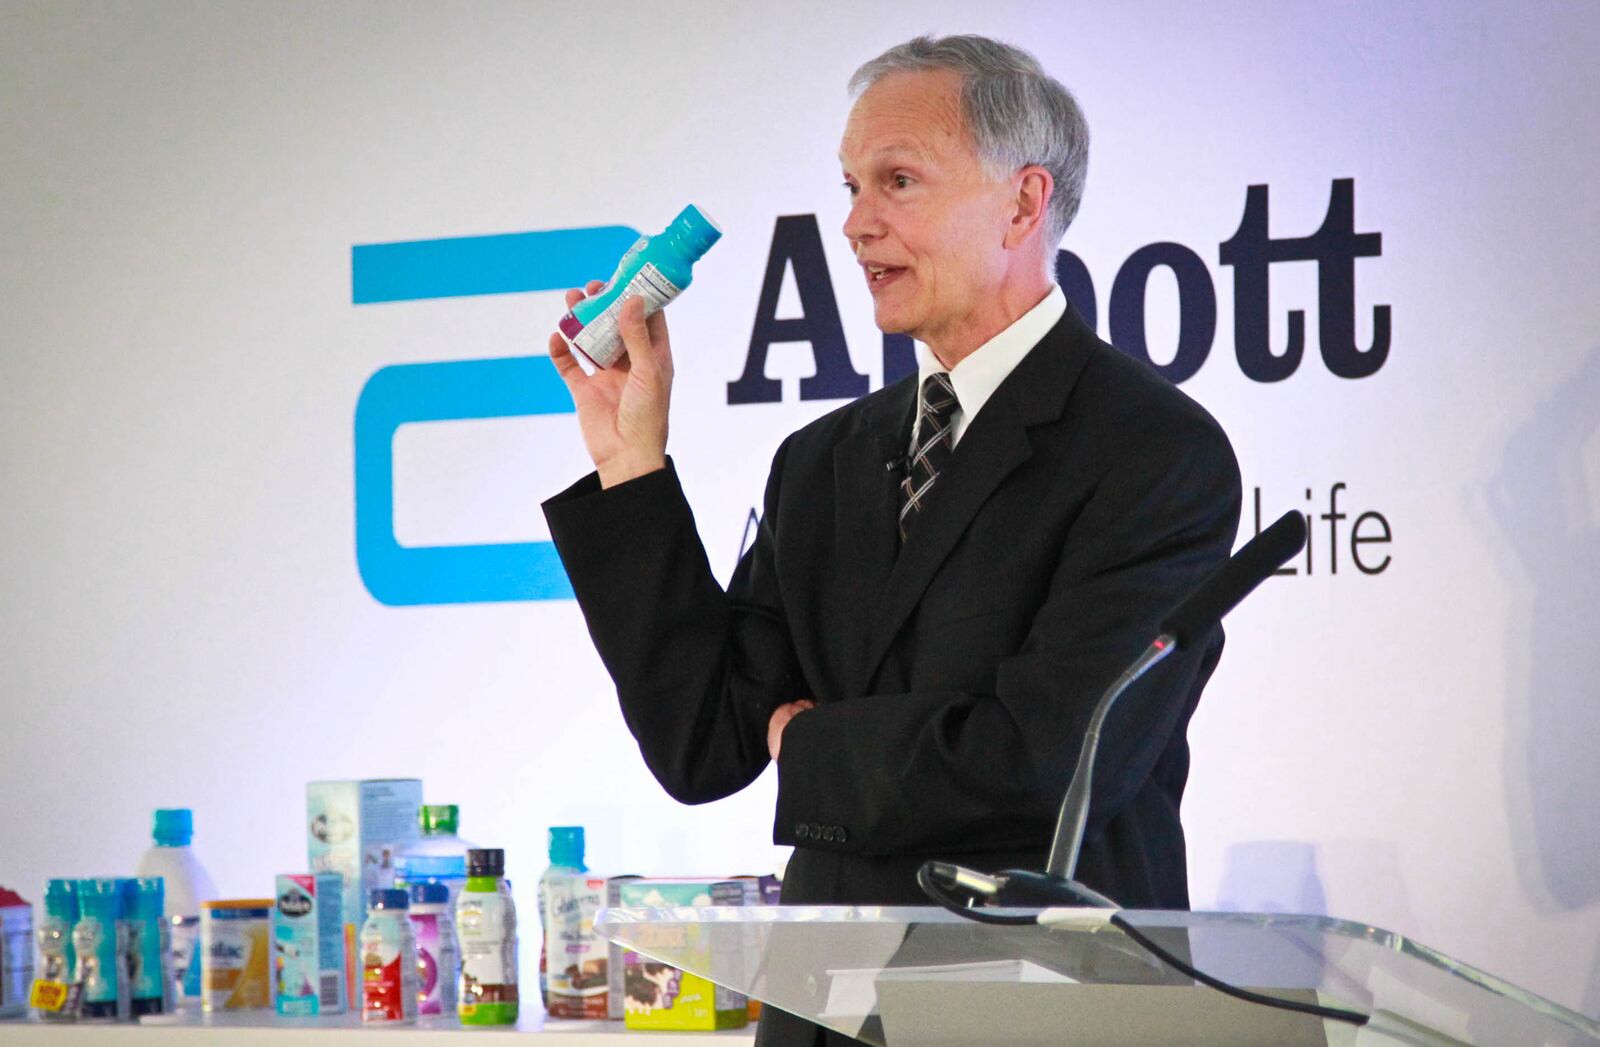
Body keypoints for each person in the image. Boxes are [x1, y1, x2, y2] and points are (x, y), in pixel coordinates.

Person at [542, 34, 1242, 1046]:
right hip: (828, 1014)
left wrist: (809, 744)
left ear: (1020, 203)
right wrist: (630, 463)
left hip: (1036, 1013)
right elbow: (703, 744)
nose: (856, 223)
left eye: (898, 182)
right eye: (850, 187)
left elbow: (1041, 760)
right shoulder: (823, 458)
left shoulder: (1152, 451)